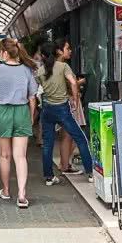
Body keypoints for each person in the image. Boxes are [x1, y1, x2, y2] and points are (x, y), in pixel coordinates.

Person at [0, 38, 38, 208]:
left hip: (2, 112)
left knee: (5, 155)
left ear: (4, 53)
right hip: (22, 111)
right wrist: (31, 116)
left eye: (0, 51)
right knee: (21, 156)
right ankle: (22, 195)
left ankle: (6, 190)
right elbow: (32, 97)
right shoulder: (27, 70)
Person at [36, 41, 94, 186]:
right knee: (80, 138)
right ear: (57, 52)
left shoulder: (40, 71)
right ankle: (91, 173)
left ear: (43, 56)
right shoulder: (63, 66)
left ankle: (49, 177)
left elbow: (39, 90)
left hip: (47, 109)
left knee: (48, 144)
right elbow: (73, 82)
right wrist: (75, 98)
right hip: (62, 109)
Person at [55, 38, 87, 175]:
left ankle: (64, 164)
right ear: (59, 51)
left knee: (66, 135)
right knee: (70, 135)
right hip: (70, 102)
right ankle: (65, 165)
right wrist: (79, 83)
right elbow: (70, 85)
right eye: (67, 48)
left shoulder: (54, 66)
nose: (70, 51)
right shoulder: (63, 67)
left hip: (62, 102)